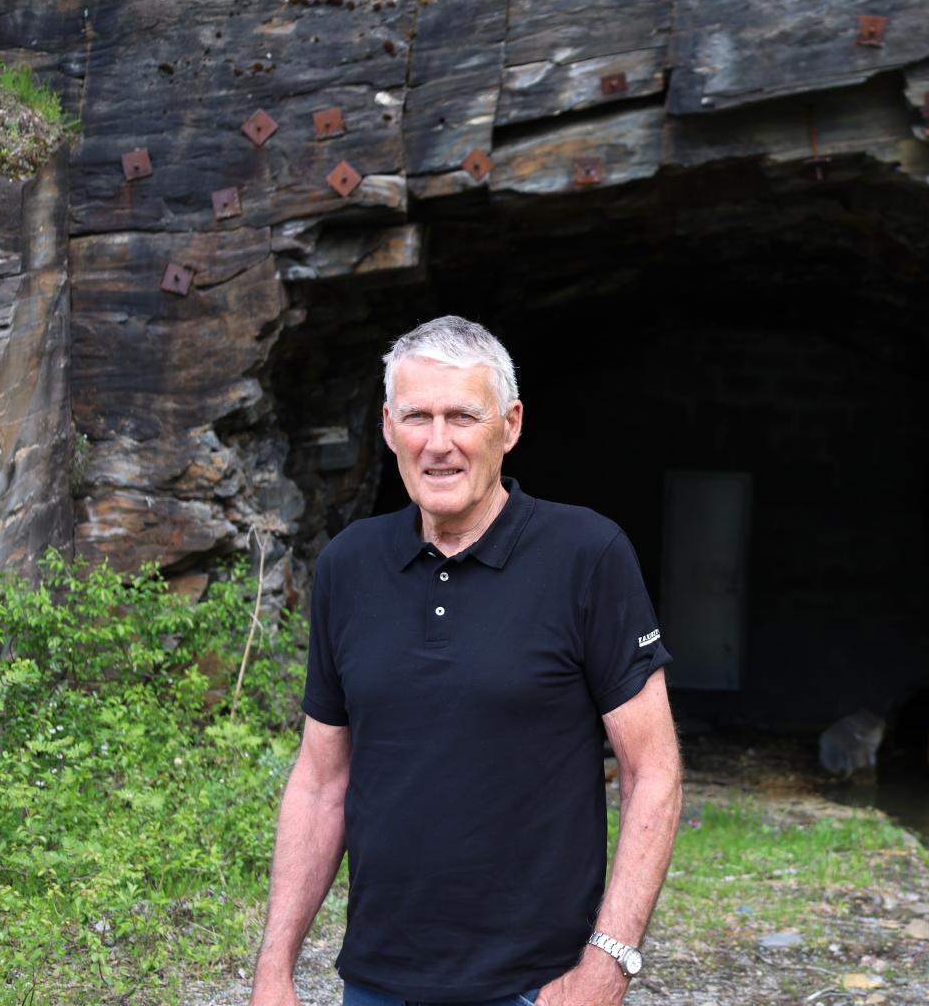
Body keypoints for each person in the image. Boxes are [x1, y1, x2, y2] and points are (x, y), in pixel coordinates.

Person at [249, 316, 683, 1006]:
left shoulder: (587, 556)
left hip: (538, 988)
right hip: (376, 983)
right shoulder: (349, 567)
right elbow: (321, 781)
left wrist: (609, 964)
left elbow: (652, 771)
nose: (438, 443)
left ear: (509, 426)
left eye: (463, 416)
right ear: (388, 428)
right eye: (418, 416)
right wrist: (274, 972)